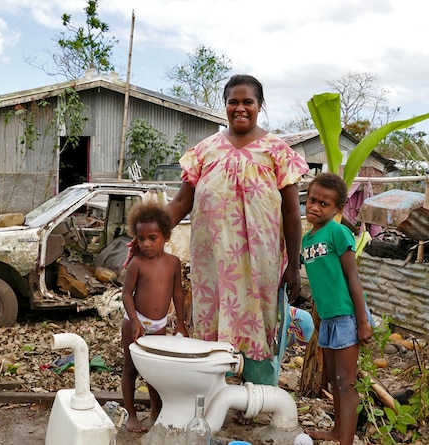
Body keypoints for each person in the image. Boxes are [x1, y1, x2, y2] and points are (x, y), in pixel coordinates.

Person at [166, 74, 310, 387]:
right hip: (213, 263)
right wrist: (146, 233)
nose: (240, 108)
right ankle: (213, 393)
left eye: (248, 102)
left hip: (260, 264)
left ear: (260, 106)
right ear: (225, 105)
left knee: (258, 323)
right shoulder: (204, 151)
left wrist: (294, 265)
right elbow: (180, 202)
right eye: (234, 102)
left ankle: (256, 399)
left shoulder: (277, 152)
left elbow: (290, 211)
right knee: (212, 321)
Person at [300, 172, 374, 444]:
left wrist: (362, 321)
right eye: (312, 200)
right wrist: (318, 318)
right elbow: (320, 283)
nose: (315, 207)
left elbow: (352, 278)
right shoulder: (308, 239)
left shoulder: (338, 232)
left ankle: (346, 440)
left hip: (347, 317)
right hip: (328, 319)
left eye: (324, 204)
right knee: (333, 379)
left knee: (346, 381)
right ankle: (337, 430)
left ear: (338, 209)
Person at [120, 201, 188, 433]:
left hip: (159, 324)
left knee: (155, 372)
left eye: (152, 238)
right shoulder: (137, 264)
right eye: (141, 238)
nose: (146, 244)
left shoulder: (173, 263)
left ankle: (156, 411)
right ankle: (131, 415)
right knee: (130, 369)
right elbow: (127, 295)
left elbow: (178, 293)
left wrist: (180, 322)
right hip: (135, 320)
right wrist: (135, 321)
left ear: (166, 237)